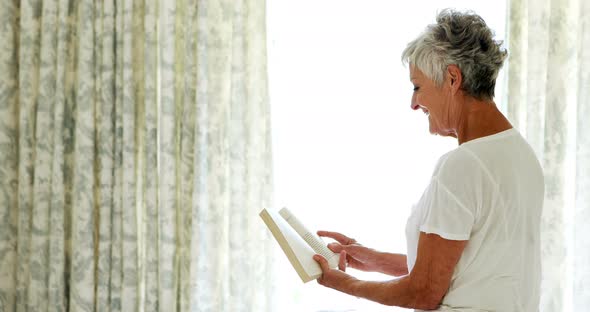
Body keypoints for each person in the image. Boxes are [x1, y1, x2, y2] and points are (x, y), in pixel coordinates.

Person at [313, 9, 544, 311]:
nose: (413, 103)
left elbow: (423, 292)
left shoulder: (463, 164)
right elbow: (464, 267)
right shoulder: (521, 154)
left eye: (417, 87)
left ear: (451, 79)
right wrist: (372, 258)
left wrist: (341, 283)